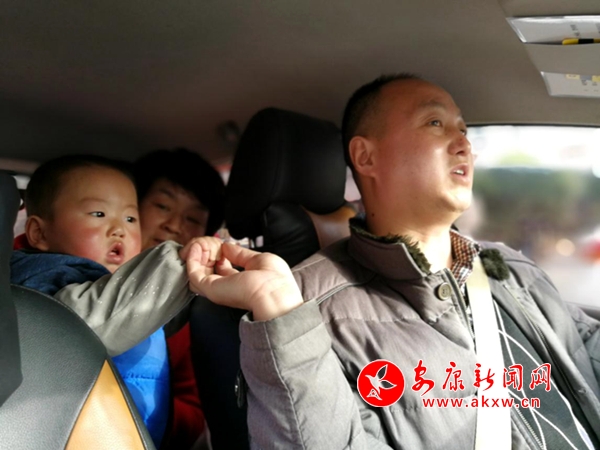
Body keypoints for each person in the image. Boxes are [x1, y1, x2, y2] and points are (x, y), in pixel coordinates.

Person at [184, 75, 600, 449]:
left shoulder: (509, 268)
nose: (464, 144)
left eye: (463, 129)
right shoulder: (305, 315)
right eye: (435, 123)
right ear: (365, 157)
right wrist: (281, 314)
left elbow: (585, 350)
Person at [9, 155, 200, 447]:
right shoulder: (46, 278)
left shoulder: (121, 283)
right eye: (99, 214)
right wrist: (180, 264)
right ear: (39, 233)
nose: (119, 228)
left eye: (130, 218)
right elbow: (85, 326)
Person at [132, 148, 225, 450]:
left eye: (193, 218)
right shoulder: (67, 269)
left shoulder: (195, 311)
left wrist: (146, 408)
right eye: (162, 206)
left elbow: (196, 411)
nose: (174, 225)